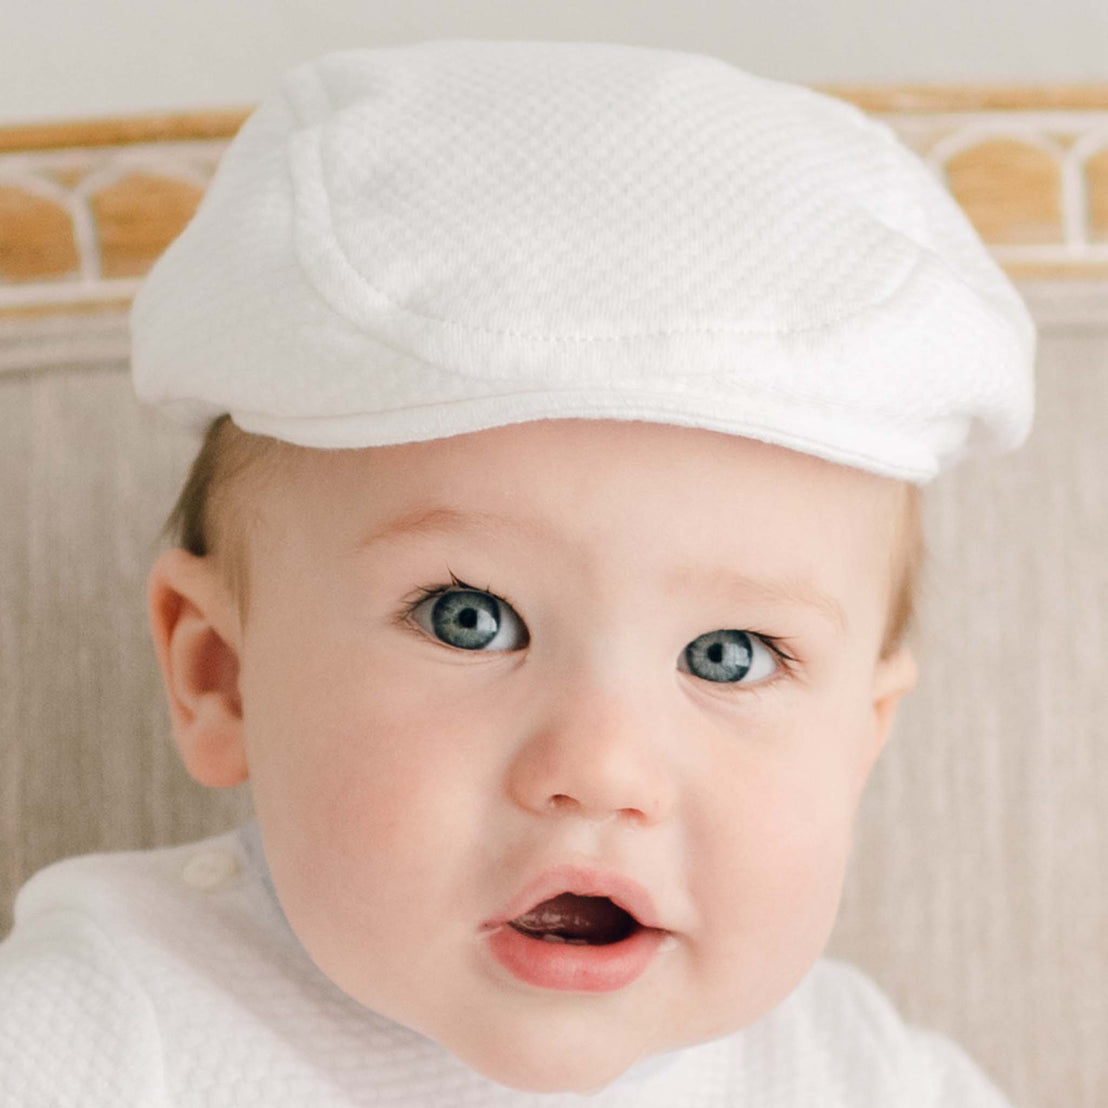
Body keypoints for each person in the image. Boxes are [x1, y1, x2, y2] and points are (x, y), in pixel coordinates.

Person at [0, 41, 1034, 1105]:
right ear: (220, 674)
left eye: (727, 656)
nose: (601, 767)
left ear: (860, 741)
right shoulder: (108, 1033)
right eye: (469, 619)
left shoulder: (851, 1072)